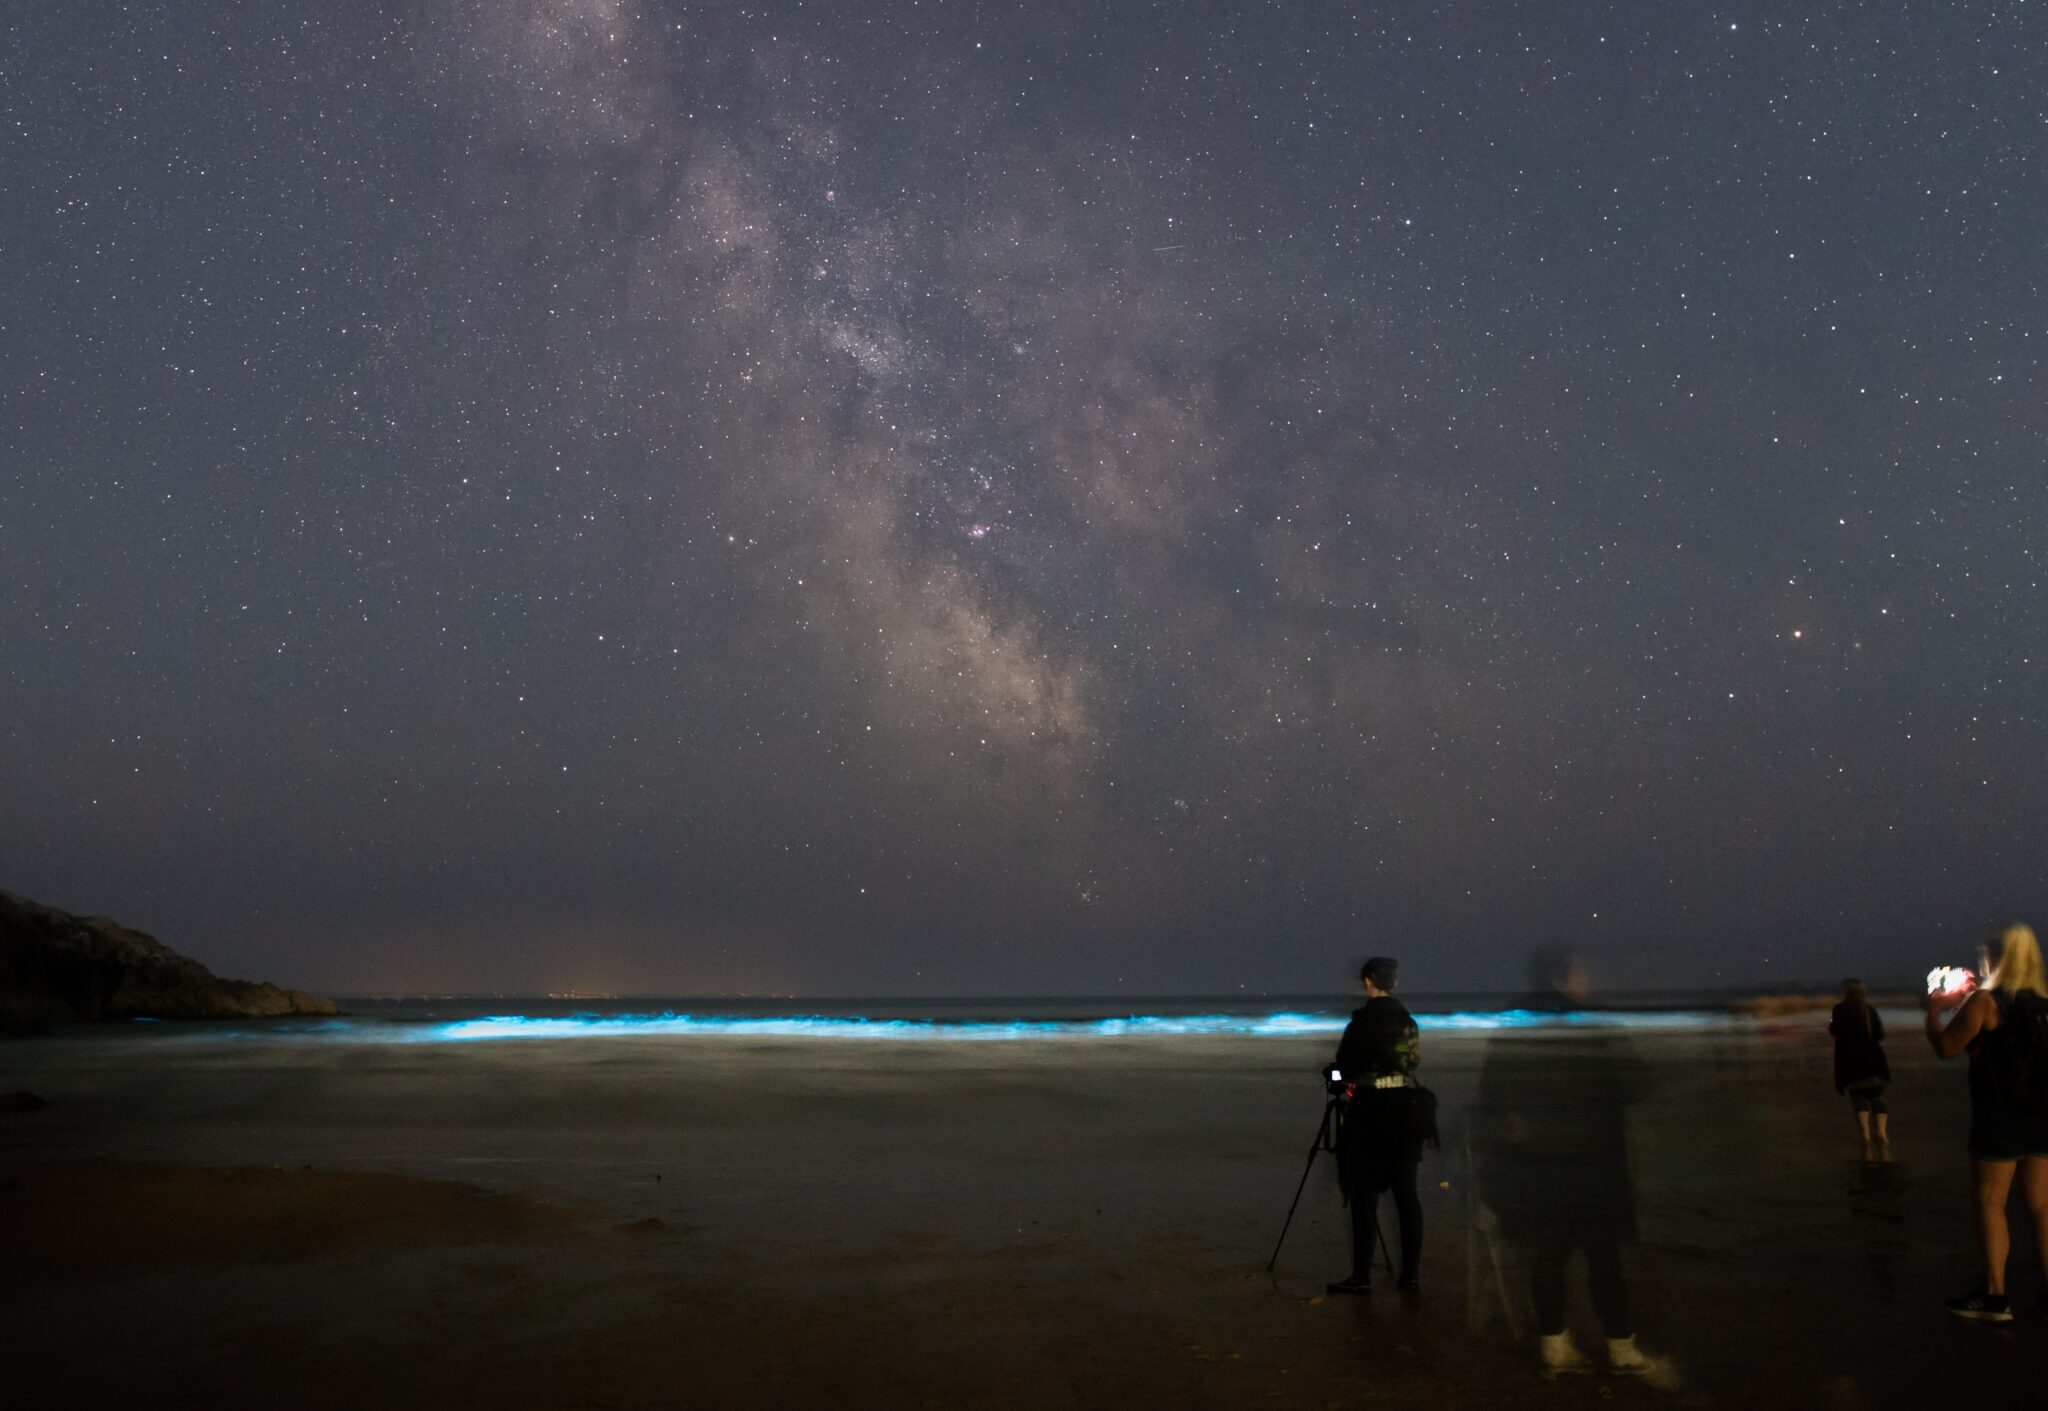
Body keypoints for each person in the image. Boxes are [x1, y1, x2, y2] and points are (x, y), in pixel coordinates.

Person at [1470, 948, 1673, 1385]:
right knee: (1603, 1258)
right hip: (1592, 1162)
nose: (1587, 979)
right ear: (1563, 978)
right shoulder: (1593, 1021)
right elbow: (1637, 1082)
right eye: (1580, 972)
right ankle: (1621, 1349)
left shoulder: (1514, 1024)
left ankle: (1554, 1346)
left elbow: (1491, 1092)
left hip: (1536, 1166)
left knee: (1549, 1256)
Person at [1923, 922, 2048, 1322]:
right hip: (2042, 1117)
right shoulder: (2045, 1003)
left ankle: (1995, 1297)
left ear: (1997, 957)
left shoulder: (1984, 1002)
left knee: (1991, 1204)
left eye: (1986, 954)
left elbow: (1946, 1047)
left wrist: (1934, 1011)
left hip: (1999, 1118)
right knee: (2042, 1207)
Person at [1326, 955, 1429, 1295]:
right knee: (1406, 1197)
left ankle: (1361, 1276)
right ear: (1394, 983)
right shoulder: (1408, 1022)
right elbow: (1412, 1061)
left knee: (1364, 1196)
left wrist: (1336, 1079)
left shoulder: (1360, 1024)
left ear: (1368, 981)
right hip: (1404, 1112)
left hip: (1368, 1113)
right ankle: (1410, 1276)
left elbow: (1343, 1068)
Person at [1830, 978, 1892, 1156]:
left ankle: (1865, 1135)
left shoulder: (1839, 1009)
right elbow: (1880, 1034)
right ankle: (1881, 1133)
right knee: (1877, 1096)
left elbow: (1834, 1031)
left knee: (1858, 1097)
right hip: (1874, 1059)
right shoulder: (1869, 1010)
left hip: (1851, 1060)